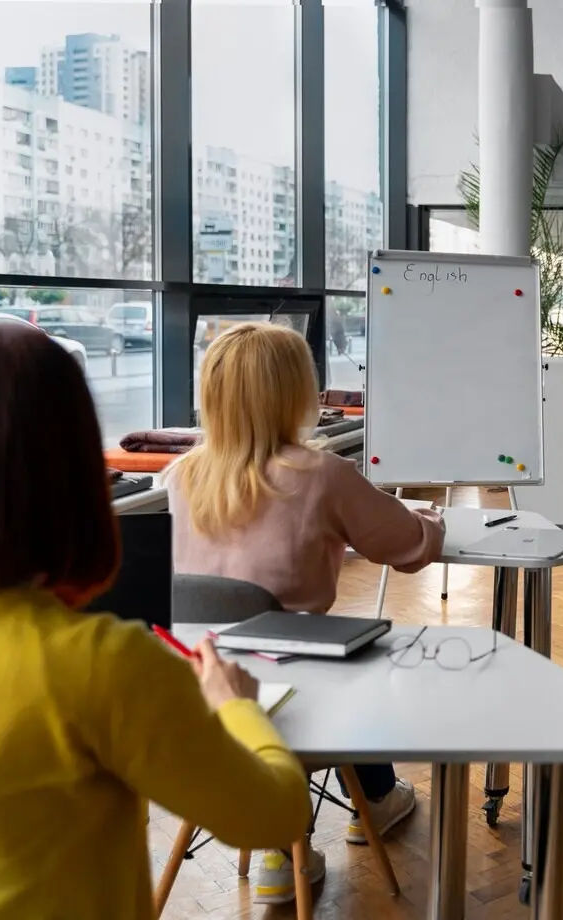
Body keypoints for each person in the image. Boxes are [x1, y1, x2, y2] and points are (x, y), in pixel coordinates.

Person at [0, 323, 310, 919]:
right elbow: (271, 816)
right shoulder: (101, 664)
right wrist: (237, 708)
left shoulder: (183, 476)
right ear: (71, 472)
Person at [167, 321, 445, 904]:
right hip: (302, 691)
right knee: (368, 664)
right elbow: (410, 547)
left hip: (201, 690)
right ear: (294, 392)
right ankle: (358, 806)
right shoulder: (320, 475)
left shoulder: (179, 476)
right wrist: (433, 517)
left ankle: (281, 849)